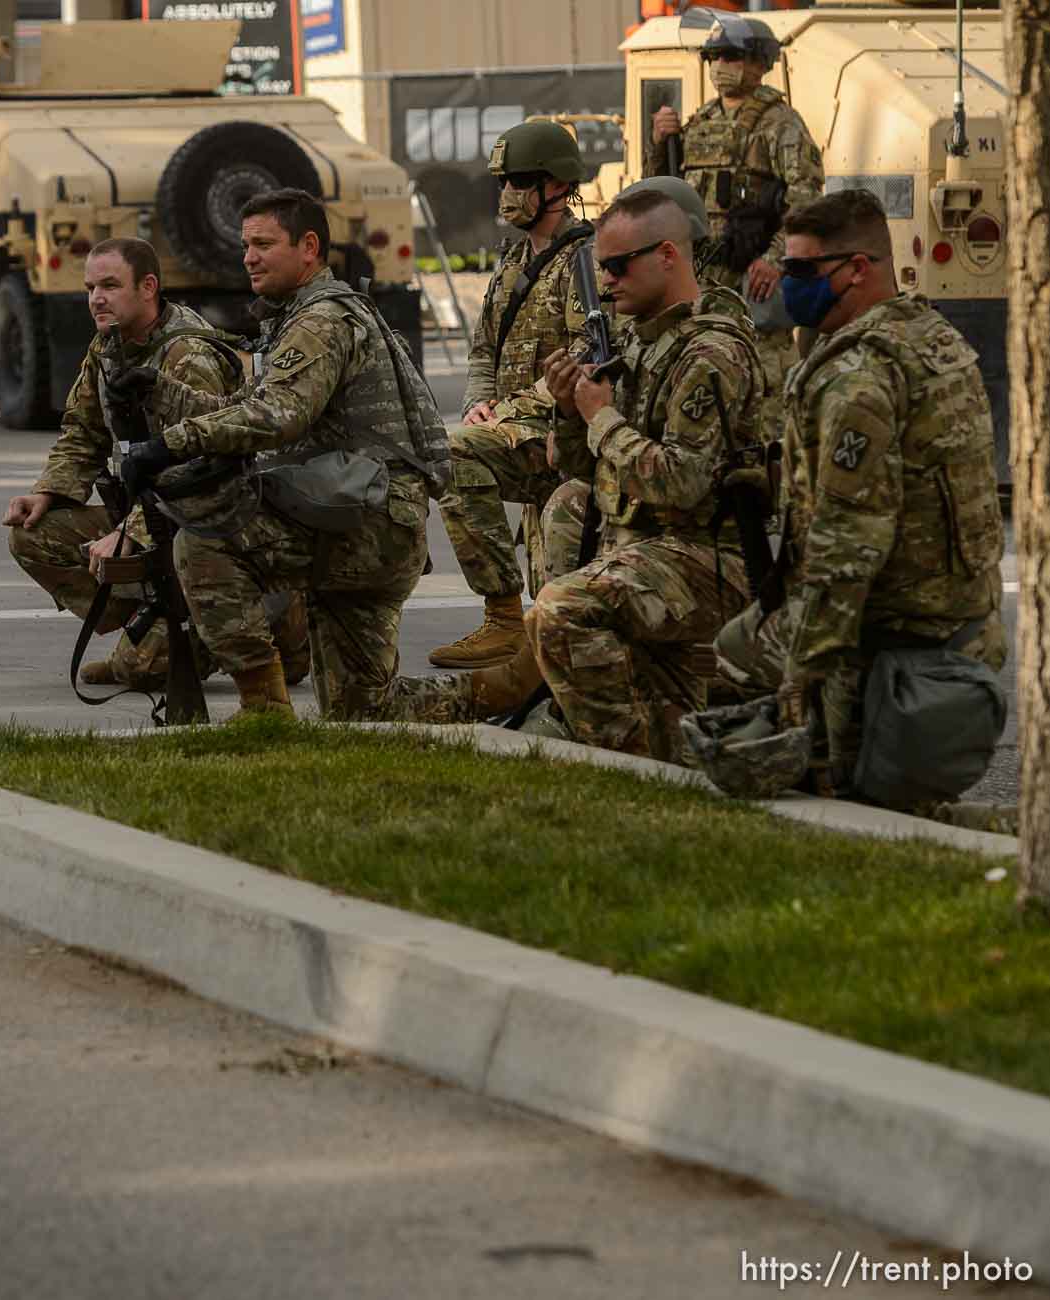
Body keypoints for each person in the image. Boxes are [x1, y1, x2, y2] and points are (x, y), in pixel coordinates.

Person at [383, 182, 765, 757]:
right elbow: (584, 467)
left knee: (562, 609)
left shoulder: (710, 353)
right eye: (601, 268)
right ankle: (602, 718)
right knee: (567, 512)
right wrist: (568, 413)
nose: (606, 281)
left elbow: (682, 484)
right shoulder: (640, 342)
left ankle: (623, 755)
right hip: (647, 545)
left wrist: (600, 415)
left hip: (707, 554)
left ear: (667, 256)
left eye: (617, 266)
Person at [711, 189, 1006, 802]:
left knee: (733, 654)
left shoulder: (858, 379)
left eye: (801, 271)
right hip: (961, 617)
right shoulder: (927, 335)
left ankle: (828, 773)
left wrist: (803, 679)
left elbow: (848, 547)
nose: (787, 285)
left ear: (857, 270)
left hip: (896, 629)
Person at [117, 188, 447, 720]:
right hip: (366, 514)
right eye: (246, 244)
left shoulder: (321, 320)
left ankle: (263, 712)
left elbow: (279, 415)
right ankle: (503, 689)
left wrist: (170, 443)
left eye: (264, 244)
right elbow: (246, 405)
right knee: (362, 709)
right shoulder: (300, 315)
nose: (248, 256)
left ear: (309, 246)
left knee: (204, 544)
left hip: (367, 522)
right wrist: (159, 388)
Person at [3, 238, 304, 690]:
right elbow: (82, 432)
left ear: (148, 287)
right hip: (151, 513)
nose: (96, 299)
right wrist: (47, 492)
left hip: (207, 522)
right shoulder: (109, 345)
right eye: (90, 288)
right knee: (33, 538)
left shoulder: (188, 356)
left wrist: (130, 532)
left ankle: (278, 625)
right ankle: (152, 623)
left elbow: (207, 471)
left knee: (145, 671)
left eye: (109, 285)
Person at [430, 120, 595, 670]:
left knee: (561, 592)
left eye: (520, 180)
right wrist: (479, 402)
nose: (507, 193)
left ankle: (518, 634)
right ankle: (504, 621)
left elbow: (583, 360)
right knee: (455, 455)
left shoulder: (584, 261)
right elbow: (483, 350)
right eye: (502, 180)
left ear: (556, 186)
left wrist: (502, 414)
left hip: (562, 434)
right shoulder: (511, 261)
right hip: (514, 429)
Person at [649, 14, 822, 424]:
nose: (719, 66)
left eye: (730, 56)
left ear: (759, 63)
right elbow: (663, 188)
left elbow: (807, 198)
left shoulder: (781, 124)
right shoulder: (701, 122)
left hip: (751, 276)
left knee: (765, 389)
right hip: (703, 277)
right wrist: (660, 143)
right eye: (714, 57)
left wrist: (776, 258)